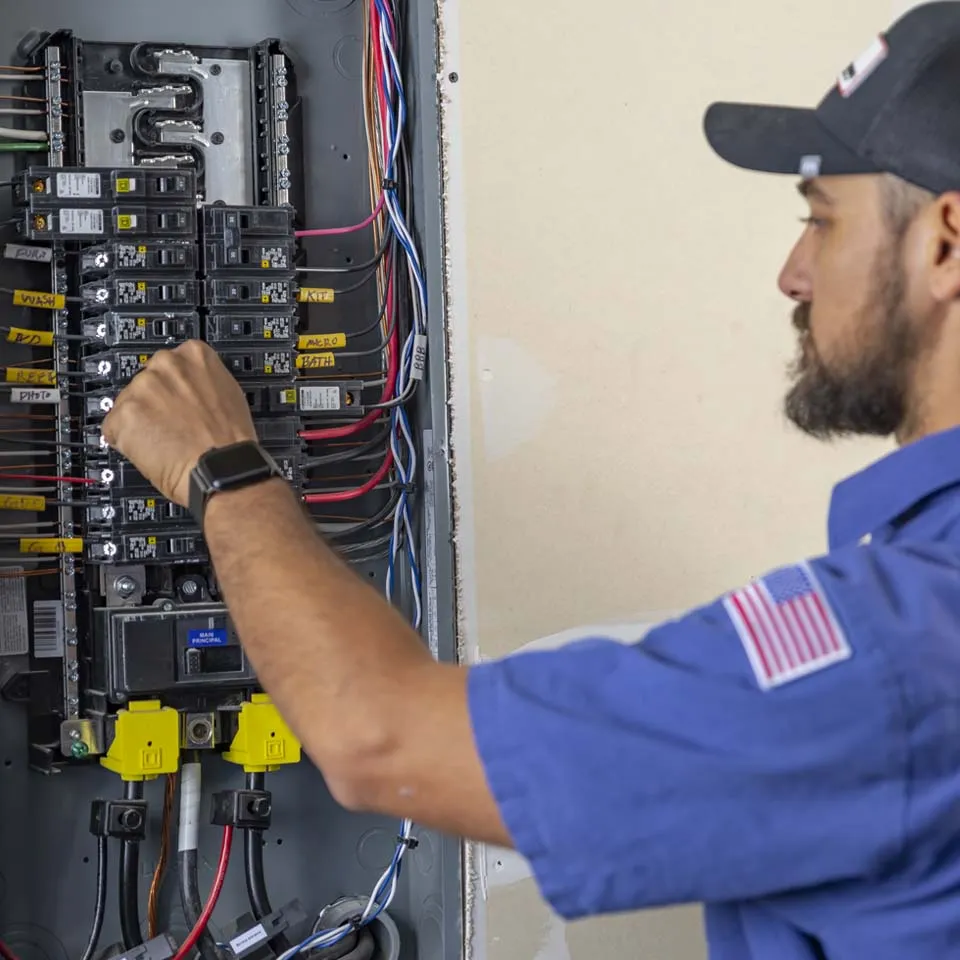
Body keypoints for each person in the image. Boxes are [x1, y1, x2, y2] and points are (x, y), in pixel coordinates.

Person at [102, 2, 960, 957]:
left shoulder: (894, 655)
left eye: (822, 221)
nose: (794, 274)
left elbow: (376, 736)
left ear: (945, 242)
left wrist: (222, 468)